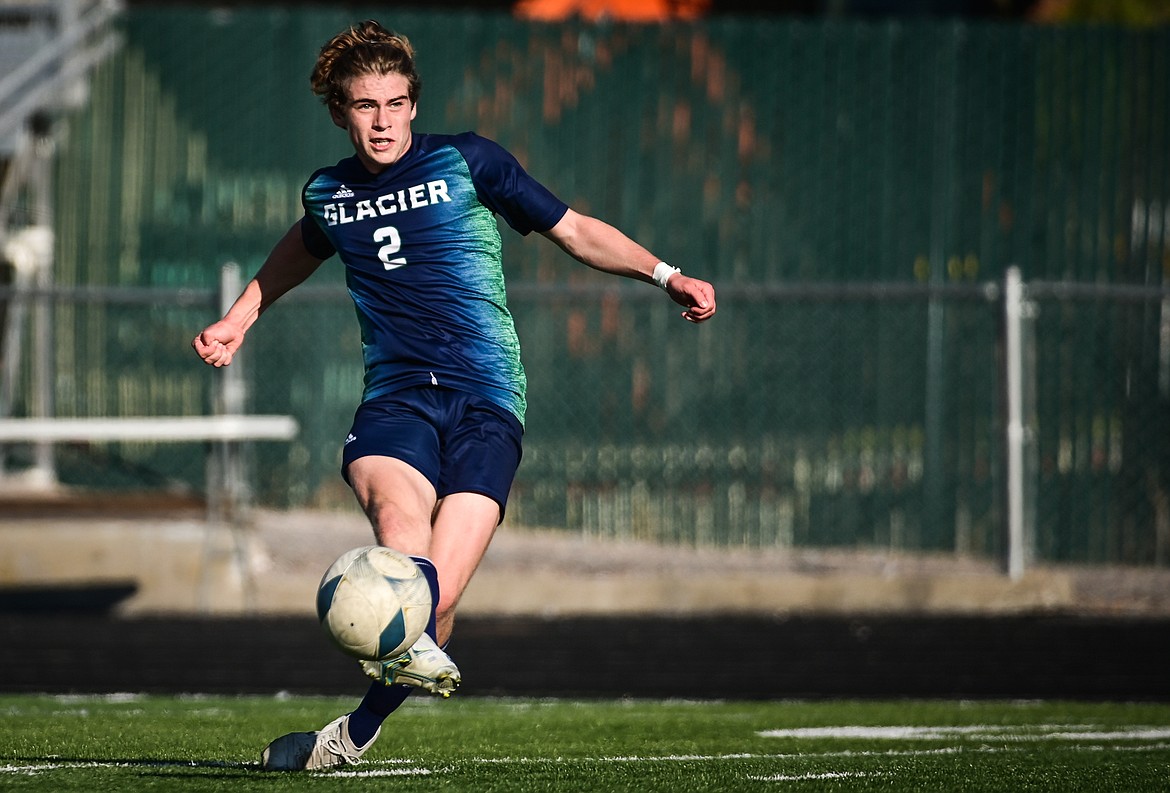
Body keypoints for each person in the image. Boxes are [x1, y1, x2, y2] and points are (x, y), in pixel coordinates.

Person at [192, 19, 716, 771]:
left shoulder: (468, 161)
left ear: (413, 104)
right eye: (365, 106)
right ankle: (397, 654)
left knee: (433, 606)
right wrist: (238, 320)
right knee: (400, 533)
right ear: (340, 111)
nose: (382, 120)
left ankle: (353, 733)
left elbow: (575, 231)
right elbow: (297, 249)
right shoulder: (329, 193)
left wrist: (667, 276)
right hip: (397, 399)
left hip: (486, 399)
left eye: (395, 103)